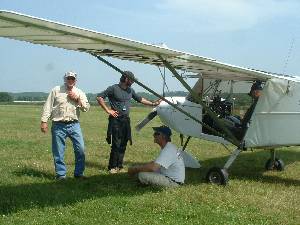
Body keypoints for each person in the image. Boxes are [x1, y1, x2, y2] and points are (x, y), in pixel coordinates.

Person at [96, 71, 161, 174]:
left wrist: (153, 104)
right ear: (126, 79)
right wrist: (108, 110)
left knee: (124, 143)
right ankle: (112, 167)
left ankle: (120, 166)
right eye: (132, 80)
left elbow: (140, 99)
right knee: (116, 144)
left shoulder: (130, 90)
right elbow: (99, 97)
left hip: (126, 120)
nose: (133, 82)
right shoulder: (113, 88)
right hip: (116, 120)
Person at [40, 71, 90, 180]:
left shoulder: (79, 92)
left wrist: (77, 99)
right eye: (68, 78)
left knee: (80, 149)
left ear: (75, 80)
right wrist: (44, 121)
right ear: (65, 79)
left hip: (74, 124)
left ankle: (79, 174)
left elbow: (86, 108)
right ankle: (61, 175)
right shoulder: (56, 90)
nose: (70, 80)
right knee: (58, 151)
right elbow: (47, 106)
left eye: (72, 79)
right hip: (58, 124)